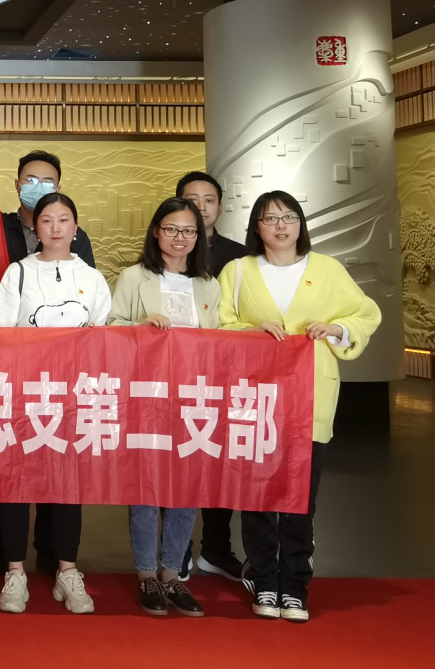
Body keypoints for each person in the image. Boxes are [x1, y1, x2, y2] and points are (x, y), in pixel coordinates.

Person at [219, 191, 380, 623]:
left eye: (289, 217)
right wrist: (250, 330)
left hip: (309, 395)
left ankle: (294, 584)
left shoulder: (327, 269)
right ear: (256, 227)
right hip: (256, 399)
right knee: (256, 494)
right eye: (270, 218)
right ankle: (264, 578)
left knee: (299, 496)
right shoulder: (238, 271)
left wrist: (337, 328)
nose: (281, 225)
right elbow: (219, 323)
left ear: (300, 224)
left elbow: (366, 313)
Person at [0, 192, 111, 616]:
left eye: (63, 220)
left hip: (74, 399)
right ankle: (15, 571)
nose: (55, 227)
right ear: (35, 227)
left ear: (76, 228)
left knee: (67, 486)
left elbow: (104, 339)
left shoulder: (92, 278)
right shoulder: (17, 273)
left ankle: (67, 571)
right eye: (46, 220)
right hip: (23, 396)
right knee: (15, 484)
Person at [109, 196, 219, 618]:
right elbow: (111, 327)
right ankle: (146, 574)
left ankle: (173, 573)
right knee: (146, 487)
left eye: (189, 230)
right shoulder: (134, 277)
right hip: (147, 397)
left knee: (185, 488)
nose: (180, 237)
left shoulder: (208, 284)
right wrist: (138, 327)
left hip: (194, 398)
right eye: (171, 229)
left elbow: (222, 337)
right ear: (156, 232)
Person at [175, 170, 248, 581]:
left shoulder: (239, 257)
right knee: (181, 460)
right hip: (177, 376)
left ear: (220, 207)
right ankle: (178, 549)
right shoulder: (167, 251)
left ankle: (217, 549)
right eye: (192, 199)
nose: (201, 207)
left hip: (225, 375)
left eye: (209, 200)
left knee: (221, 461)